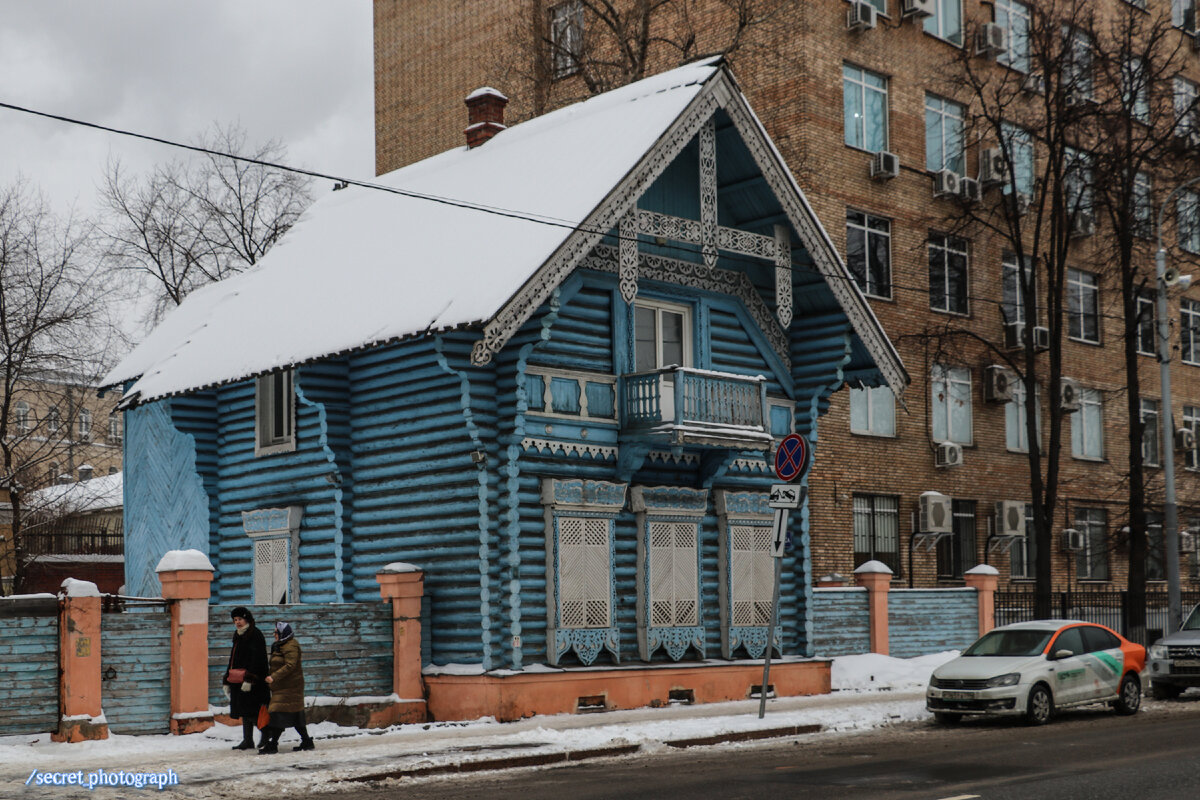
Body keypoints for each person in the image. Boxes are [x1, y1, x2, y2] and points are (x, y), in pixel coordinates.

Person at [259, 621, 314, 754]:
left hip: (291, 687)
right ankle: (306, 741)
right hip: (282, 687)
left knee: (277, 712)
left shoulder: (291, 646)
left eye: (276, 632)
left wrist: (274, 677)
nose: (274, 634)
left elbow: (290, 665)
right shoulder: (280, 645)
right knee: (294, 715)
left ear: (283, 633)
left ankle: (273, 744)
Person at [223, 607, 270, 751]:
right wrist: (227, 679)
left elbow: (258, 659)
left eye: (240, 619)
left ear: (247, 619)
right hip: (239, 679)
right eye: (235, 620)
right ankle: (247, 740)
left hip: (254, 681)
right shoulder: (238, 635)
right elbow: (233, 659)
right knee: (244, 710)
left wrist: (250, 679)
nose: (237, 622)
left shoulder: (255, 634)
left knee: (253, 711)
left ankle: (266, 735)